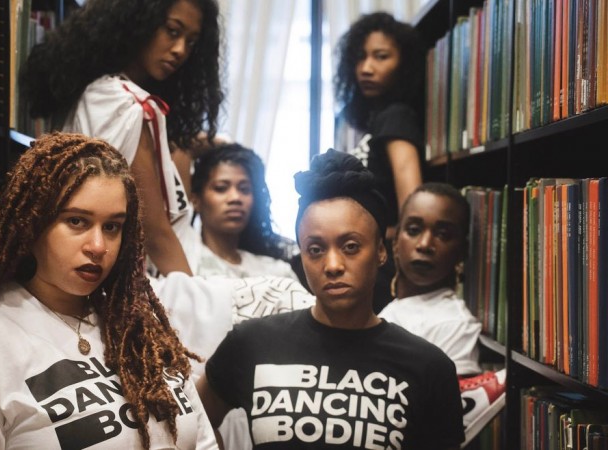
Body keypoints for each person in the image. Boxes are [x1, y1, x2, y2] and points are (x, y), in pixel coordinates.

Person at [0, 133, 217, 449]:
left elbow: (204, 441)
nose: (98, 246)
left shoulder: (138, 328)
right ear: (32, 224)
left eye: (112, 227)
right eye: (77, 221)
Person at [196, 150, 464, 449]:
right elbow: (195, 421)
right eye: (315, 249)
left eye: (350, 247)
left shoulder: (428, 367)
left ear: (381, 251)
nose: (333, 265)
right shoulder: (252, 342)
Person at [20, 0, 223, 276]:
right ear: (136, 21)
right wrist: (195, 295)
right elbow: (156, 234)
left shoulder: (105, 94)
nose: (180, 50)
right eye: (172, 31)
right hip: (156, 280)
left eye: (191, 42)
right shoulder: (122, 103)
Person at [378, 182, 506, 446]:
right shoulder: (396, 307)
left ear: (461, 251)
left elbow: (444, 427)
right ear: (396, 240)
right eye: (414, 230)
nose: (425, 244)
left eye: (443, 234)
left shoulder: (454, 323)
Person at [334, 11, 426, 313]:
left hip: (381, 264)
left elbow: (413, 205)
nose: (367, 68)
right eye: (360, 57)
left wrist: (374, 238)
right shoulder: (355, 119)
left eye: (381, 56)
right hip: (350, 253)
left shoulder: (396, 116)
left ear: (403, 64)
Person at [187, 143, 297, 279]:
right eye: (221, 188)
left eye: (244, 189)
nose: (235, 198)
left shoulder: (277, 273)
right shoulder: (183, 261)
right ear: (196, 200)